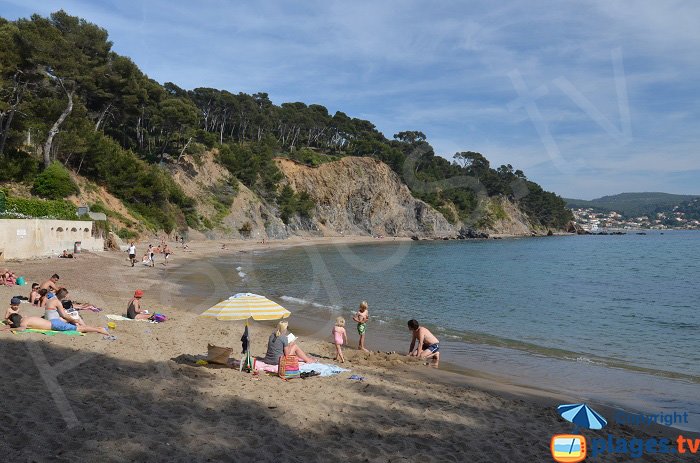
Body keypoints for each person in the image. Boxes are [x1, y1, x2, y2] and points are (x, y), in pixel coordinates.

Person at [6, 312, 109, 335]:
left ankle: (99, 330)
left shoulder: (24, 322)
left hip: (54, 325)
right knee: (77, 327)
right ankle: (98, 328)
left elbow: (22, 329)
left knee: (80, 329)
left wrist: (10, 329)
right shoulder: (26, 317)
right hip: (53, 322)